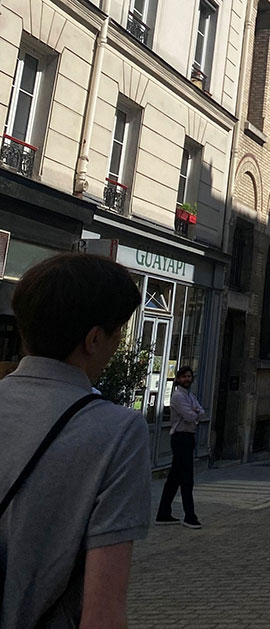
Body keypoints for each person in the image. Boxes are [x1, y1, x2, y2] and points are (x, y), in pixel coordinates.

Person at [0, 253, 150, 628]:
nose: (119, 344)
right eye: (118, 332)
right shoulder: (119, 432)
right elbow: (103, 613)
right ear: (94, 339)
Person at [156, 366, 204, 529]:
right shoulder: (177, 396)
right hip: (180, 438)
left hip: (188, 438)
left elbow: (200, 411)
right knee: (186, 478)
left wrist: (195, 412)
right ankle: (190, 516)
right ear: (177, 379)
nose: (187, 379)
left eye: (189, 376)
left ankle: (163, 513)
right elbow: (190, 415)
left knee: (174, 478)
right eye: (184, 376)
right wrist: (195, 413)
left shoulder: (190, 395)